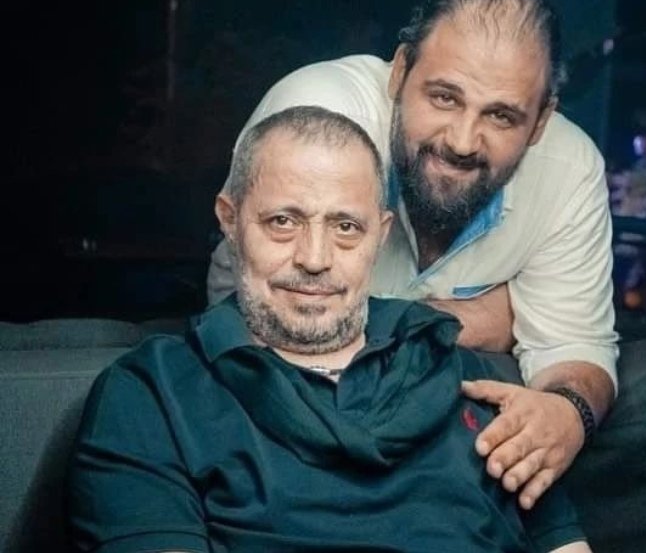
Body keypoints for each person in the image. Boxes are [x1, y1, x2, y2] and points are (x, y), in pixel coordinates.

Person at [67, 106, 592, 553]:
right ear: (230, 220)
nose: (315, 259)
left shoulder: (463, 374)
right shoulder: (155, 393)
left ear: (379, 235)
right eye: (283, 221)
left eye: (345, 227)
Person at [207, 0, 618, 509]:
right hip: (265, 388)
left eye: (501, 115)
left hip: (430, 432)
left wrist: (569, 412)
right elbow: (282, 316)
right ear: (400, 72)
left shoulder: (570, 169)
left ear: (541, 120)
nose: (462, 141)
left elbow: (575, 346)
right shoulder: (317, 118)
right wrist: (478, 320)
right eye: (444, 97)